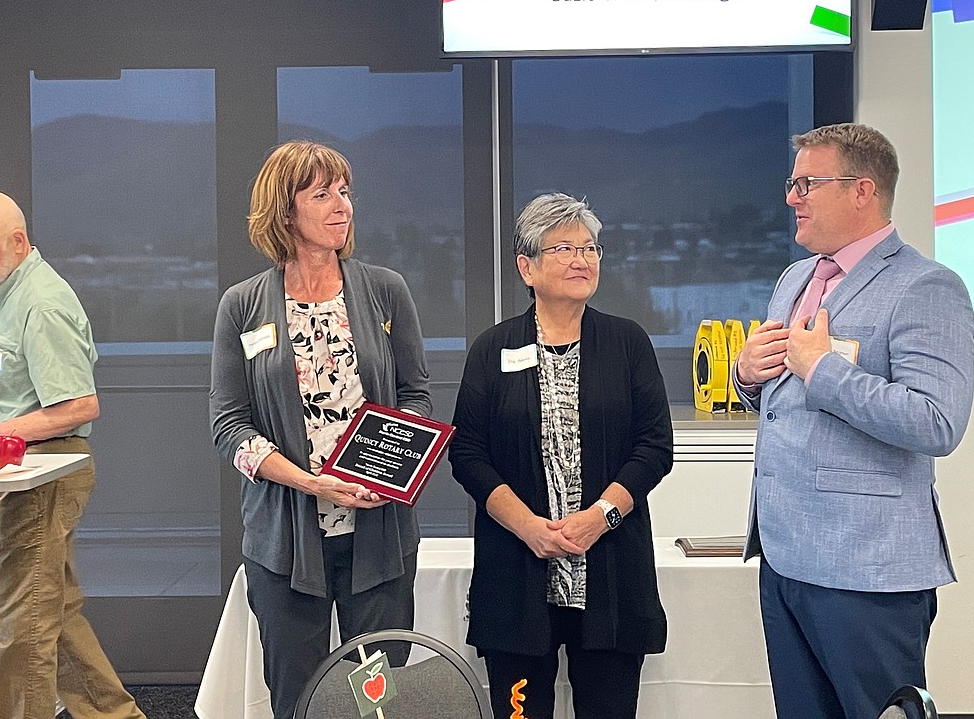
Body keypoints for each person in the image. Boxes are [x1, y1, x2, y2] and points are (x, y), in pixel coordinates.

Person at [734, 123, 974, 719]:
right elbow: (786, 407)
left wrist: (822, 372)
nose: (792, 197)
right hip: (784, 557)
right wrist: (749, 377)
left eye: (806, 183)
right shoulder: (796, 279)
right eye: (793, 184)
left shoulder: (926, 287)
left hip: (867, 569)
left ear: (863, 190)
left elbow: (937, 421)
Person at [210, 141, 431, 719]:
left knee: (376, 704)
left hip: (379, 535)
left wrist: (394, 468)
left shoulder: (386, 290)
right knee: (298, 699)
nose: (343, 206)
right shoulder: (242, 305)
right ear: (285, 212)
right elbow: (228, 426)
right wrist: (314, 485)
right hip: (285, 545)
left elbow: (416, 394)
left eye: (346, 192)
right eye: (323, 194)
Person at [450, 193, 673, 719]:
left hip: (611, 571)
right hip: (517, 575)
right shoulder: (493, 348)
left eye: (590, 247)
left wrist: (601, 517)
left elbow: (654, 447)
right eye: (564, 248)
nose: (582, 259)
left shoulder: (627, 342)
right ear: (526, 267)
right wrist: (527, 525)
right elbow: (468, 454)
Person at [0, 191, 145, 719]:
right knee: (55, 610)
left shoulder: (42, 304)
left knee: (23, 621)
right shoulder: (12, 294)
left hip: (42, 475)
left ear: (18, 241)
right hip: (24, 472)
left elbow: (79, 405)